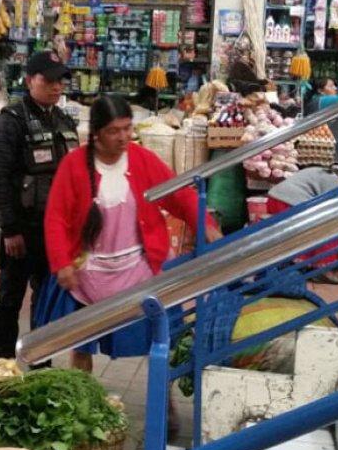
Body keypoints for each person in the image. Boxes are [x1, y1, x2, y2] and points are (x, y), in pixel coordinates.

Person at [38, 94, 221, 373]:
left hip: (138, 268)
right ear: (97, 133)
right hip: (88, 271)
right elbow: (56, 218)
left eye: (127, 128)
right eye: (114, 131)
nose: (123, 137)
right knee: (81, 342)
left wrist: (203, 222)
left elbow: (178, 194)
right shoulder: (73, 165)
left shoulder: (142, 159)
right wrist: (61, 262)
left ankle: (164, 403)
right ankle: (82, 396)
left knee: (159, 337)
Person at [0, 51, 78, 363]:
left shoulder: (64, 121)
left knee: (46, 299)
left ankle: (41, 362)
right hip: (20, 230)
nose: (56, 86)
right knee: (10, 297)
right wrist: (9, 228)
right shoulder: (10, 121)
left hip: (53, 231)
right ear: (29, 81)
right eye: (48, 80)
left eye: (60, 80)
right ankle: (2, 365)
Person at [263, 163, 338, 283]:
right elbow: (328, 207)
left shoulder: (322, 171)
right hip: (288, 201)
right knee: (324, 230)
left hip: (277, 198)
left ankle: (317, 264)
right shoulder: (333, 180)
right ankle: (323, 268)